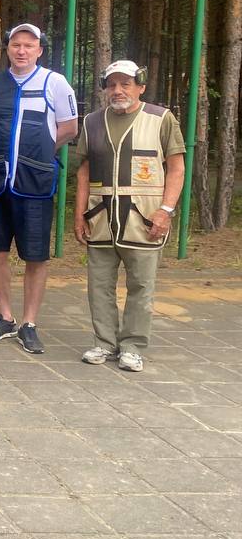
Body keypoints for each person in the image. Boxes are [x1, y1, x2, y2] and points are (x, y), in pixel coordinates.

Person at [0, 23, 78, 355]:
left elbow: (69, 128)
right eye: (16, 45)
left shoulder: (54, 83)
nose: (21, 51)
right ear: (7, 49)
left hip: (35, 183)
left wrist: (40, 153)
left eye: (29, 45)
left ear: (39, 51)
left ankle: (29, 323)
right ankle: (5, 317)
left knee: (36, 255)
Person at [74, 60, 185, 372]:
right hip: (101, 219)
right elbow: (84, 171)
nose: (118, 90)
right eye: (112, 84)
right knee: (98, 286)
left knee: (141, 286)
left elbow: (176, 168)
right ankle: (104, 343)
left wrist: (166, 211)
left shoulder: (161, 118)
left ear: (141, 87)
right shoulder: (92, 122)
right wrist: (79, 214)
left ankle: (133, 347)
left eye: (125, 84)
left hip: (144, 221)